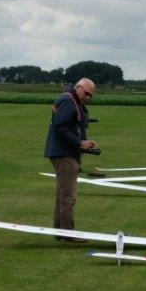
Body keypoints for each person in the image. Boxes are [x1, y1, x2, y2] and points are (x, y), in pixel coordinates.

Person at [43, 78, 97, 240]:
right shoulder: (68, 100)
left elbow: (70, 127)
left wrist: (84, 143)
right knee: (68, 196)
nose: (88, 97)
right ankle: (68, 233)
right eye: (87, 93)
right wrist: (80, 143)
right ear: (78, 87)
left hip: (64, 152)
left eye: (91, 96)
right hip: (64, 154)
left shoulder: (71, 99)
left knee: (62, 194)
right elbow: (61, 128)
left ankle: (58, 231)